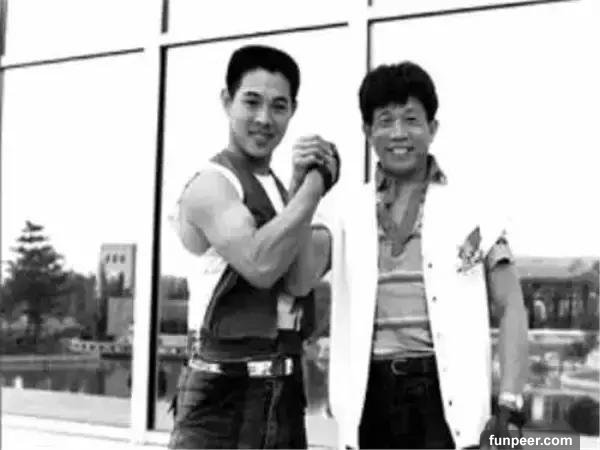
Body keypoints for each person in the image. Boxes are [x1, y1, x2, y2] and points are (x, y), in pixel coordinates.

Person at [327, 61, 529, 449]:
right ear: (367, 131)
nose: (398, 133)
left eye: (411, 119)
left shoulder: (473, 206)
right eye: (385, 121)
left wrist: (509, 400)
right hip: (370, 399)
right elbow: (300, 280)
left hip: (443, 397)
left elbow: (511, 306)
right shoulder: (344, 211)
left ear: (433, 128)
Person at [168, 44, 339, 449]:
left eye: (278, 106)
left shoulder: (282, 193)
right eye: (251, 102)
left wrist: (299, 186)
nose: (264, 118)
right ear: (227, 102)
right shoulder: (211, 183)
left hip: (285, 392)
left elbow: (298, 281)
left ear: (292, 111)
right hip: (221, 395)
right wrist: (316, 183)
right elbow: (260, 265)